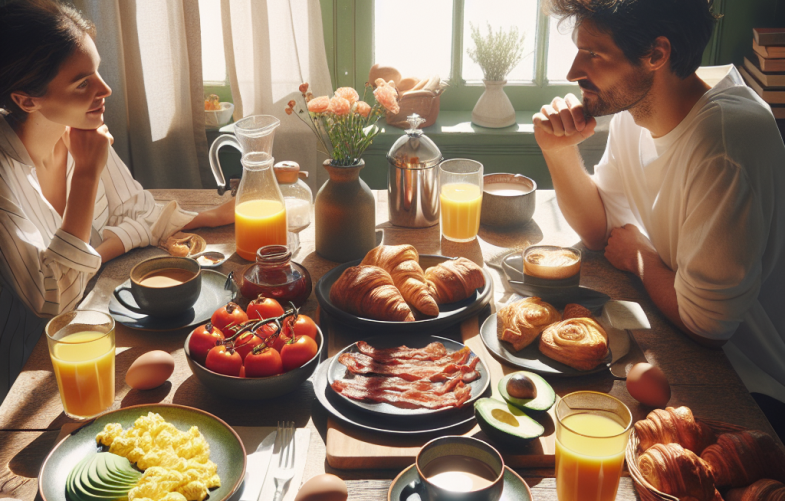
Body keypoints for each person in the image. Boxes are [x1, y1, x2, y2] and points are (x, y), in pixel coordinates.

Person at [533, 0, 785, 434]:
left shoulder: (724, 144)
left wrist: (639, 257)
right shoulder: (639, 111)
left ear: (656, 54)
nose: (573, 71)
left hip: (751, 390)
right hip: (681, 354)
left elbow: (708, 326)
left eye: (593, 54)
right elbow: (600, 232)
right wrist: (558, 152)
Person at [0, 0, 234, 403]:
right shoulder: (10, 175)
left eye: (97, 71)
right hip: (31, 374)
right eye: (81, 83)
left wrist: (205, 217)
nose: (104, 90)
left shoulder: (83, 131)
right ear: (26, 100)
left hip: (99, 328)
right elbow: (54, 299)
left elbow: (138, 213)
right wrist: (88, 176)